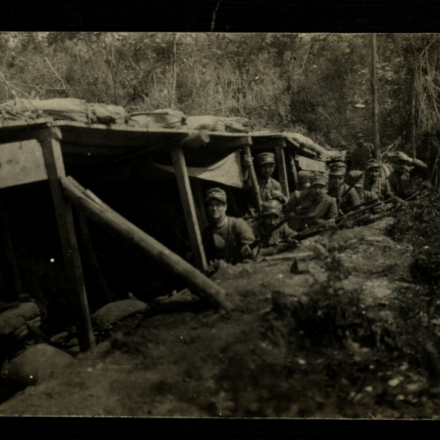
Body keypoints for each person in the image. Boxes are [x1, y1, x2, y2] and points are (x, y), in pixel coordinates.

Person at [201, 187, 255, 264]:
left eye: (218, 205)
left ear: (225, 207)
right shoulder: (207, 231)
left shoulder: (238, 224)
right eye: (211, 205)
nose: (214, 208)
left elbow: (253, 253)